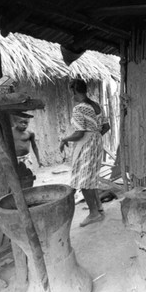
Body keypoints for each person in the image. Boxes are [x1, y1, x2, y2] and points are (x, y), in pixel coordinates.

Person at [60, 79, 110, 227]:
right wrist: (94, 136)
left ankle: (94, 213)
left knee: (83, 180)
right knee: (91, 176)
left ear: (74, 91)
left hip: (86, 144)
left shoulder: (79, 108)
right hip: (96, 142)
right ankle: (99, 207)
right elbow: (106, 127)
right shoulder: (97, 106)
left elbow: (79, 134)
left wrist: (64, 139)